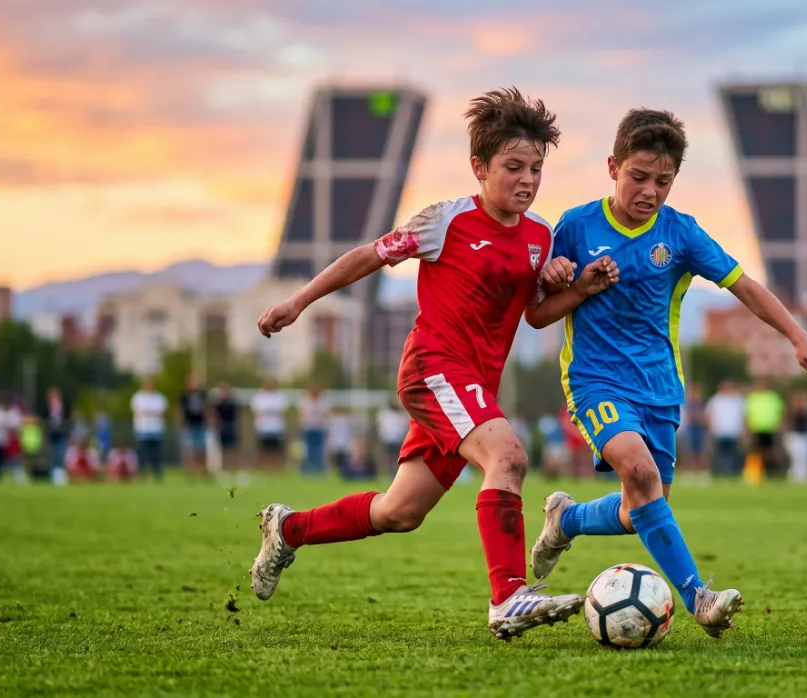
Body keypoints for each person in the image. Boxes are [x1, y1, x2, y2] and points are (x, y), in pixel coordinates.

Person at [247, 88, 617, 641]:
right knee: (509, 458)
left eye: (536, 168)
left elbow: (536, 317)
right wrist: (297, 302)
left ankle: (288, 529)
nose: (527, 179)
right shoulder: (446, 221)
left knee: (400, 511)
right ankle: (508, 596)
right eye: (513, 166)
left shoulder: (539, 237)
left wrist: (581, 287)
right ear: (478, 166)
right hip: (433, 368)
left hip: (473, 388)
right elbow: (366, 257)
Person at [528, 108, 807, 639]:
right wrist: (561, 278)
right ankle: (700, 598)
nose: (649, 191)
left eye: (662, 181)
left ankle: (566, 520)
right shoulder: (575, 227)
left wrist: (799, 338)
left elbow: (745, 288)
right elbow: (537, 312)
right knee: (641, 478)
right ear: (612, 167)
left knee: (644, 504)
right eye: (638, 177)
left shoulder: (682, 234)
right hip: (595, 381)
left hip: (662, 390)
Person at [130, 377, 168, 482]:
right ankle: (141, 474)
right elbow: (138, 411)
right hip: (143, 429)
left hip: (156, 430)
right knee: (142, 453)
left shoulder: (159, 397)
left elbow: (161, 411)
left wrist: (149, 412)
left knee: (156, 454)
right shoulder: (138, 397)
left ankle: (157, 474)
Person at [250, 378, 289, 471]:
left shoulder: (280, 397)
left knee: (277, 451)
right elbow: (257, 412)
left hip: (277, 428)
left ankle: (278, 470)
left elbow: (282, 413)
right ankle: (262, 470)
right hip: (263, 429)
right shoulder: (258, 397)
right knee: (262, 451)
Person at [179, 374, 210, 478]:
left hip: (201, 424)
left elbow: (207, 408)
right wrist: (182, 422)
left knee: (201, 449)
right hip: (189, 425)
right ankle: (191, 472)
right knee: (189, 449)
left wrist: (208, 420)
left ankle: (203, 471)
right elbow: (180, 409)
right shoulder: (184, 395)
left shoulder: (203, 394)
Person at [298, 386, 330, 476]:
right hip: (308, 428)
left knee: (320, 450)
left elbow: (325, 415)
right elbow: (302, 415)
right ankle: (307, 469)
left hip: (319, 429)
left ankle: (320, 469)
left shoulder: (322, 402)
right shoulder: (305, 401)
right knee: (308, 451)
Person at [784, 392, 807, 483]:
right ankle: (796, 476)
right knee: (797, 457)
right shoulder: (792, 412)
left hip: (806, 435)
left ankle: (805, 475)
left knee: (805, 457)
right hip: (795, 435)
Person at [681, 383, 709, 474]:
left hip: (699, 428)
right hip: (690, 428)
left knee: (700, 450)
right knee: (689, 450)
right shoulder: (687, 404)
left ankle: (701, 470)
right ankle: (689, 470)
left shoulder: (702, 404)